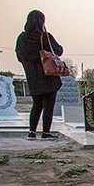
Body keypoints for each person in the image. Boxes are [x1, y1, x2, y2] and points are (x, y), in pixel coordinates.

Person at [15, 9, 63, 140]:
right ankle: (46, 132)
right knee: (49, 105)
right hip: (48, 76)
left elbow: (19, 57)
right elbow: (58, 50)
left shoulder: (22, 38)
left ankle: (32, 132)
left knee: (36, 104)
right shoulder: (45, 37)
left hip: (33, 78)